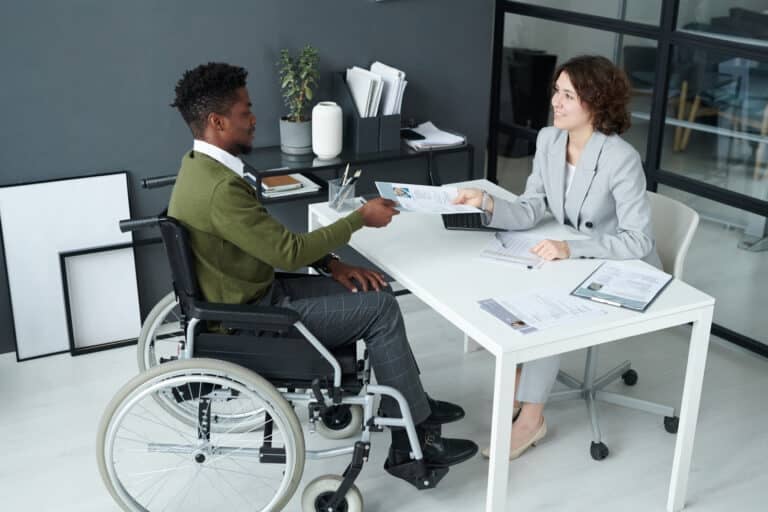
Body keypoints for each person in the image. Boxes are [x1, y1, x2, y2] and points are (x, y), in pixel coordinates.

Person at [167, 62, 477, 483]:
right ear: (217, 121)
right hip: (255, 320)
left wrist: (334, 264)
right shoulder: (222, 189)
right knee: (382, 309)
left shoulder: (198, 166)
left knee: (370, 290)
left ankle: (411, 402)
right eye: (245, 111)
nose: (254, 119)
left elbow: (272, 243)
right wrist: (359, 218)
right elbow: (289, 251)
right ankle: (410, 444)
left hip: (253, 297)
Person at [454, 55, 661, 460]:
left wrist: (571, 249)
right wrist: (488, 203)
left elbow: (638, 240)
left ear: (595, 102)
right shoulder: (549, 140)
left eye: (568, 95)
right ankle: (522, 375)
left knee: (549, 310)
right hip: (578, 260)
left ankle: (532, 419)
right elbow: (532, 207)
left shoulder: (620, 158)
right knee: (520, 282)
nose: (555, 102)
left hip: (623, 266)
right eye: (556, 91)